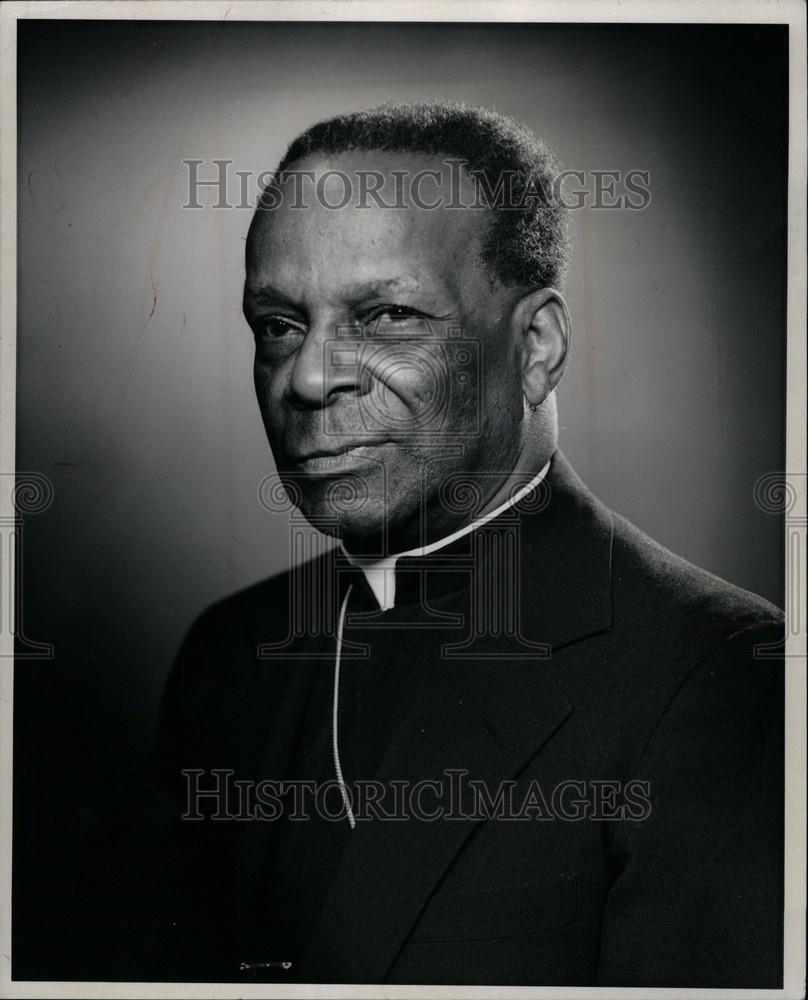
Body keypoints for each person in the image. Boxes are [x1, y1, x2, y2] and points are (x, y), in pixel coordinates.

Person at [153, 103, 784, 987]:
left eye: (386, 316)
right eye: (279, 325)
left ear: (536, 347)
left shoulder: (719, 674)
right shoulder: (224, 654)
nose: (307, 376)